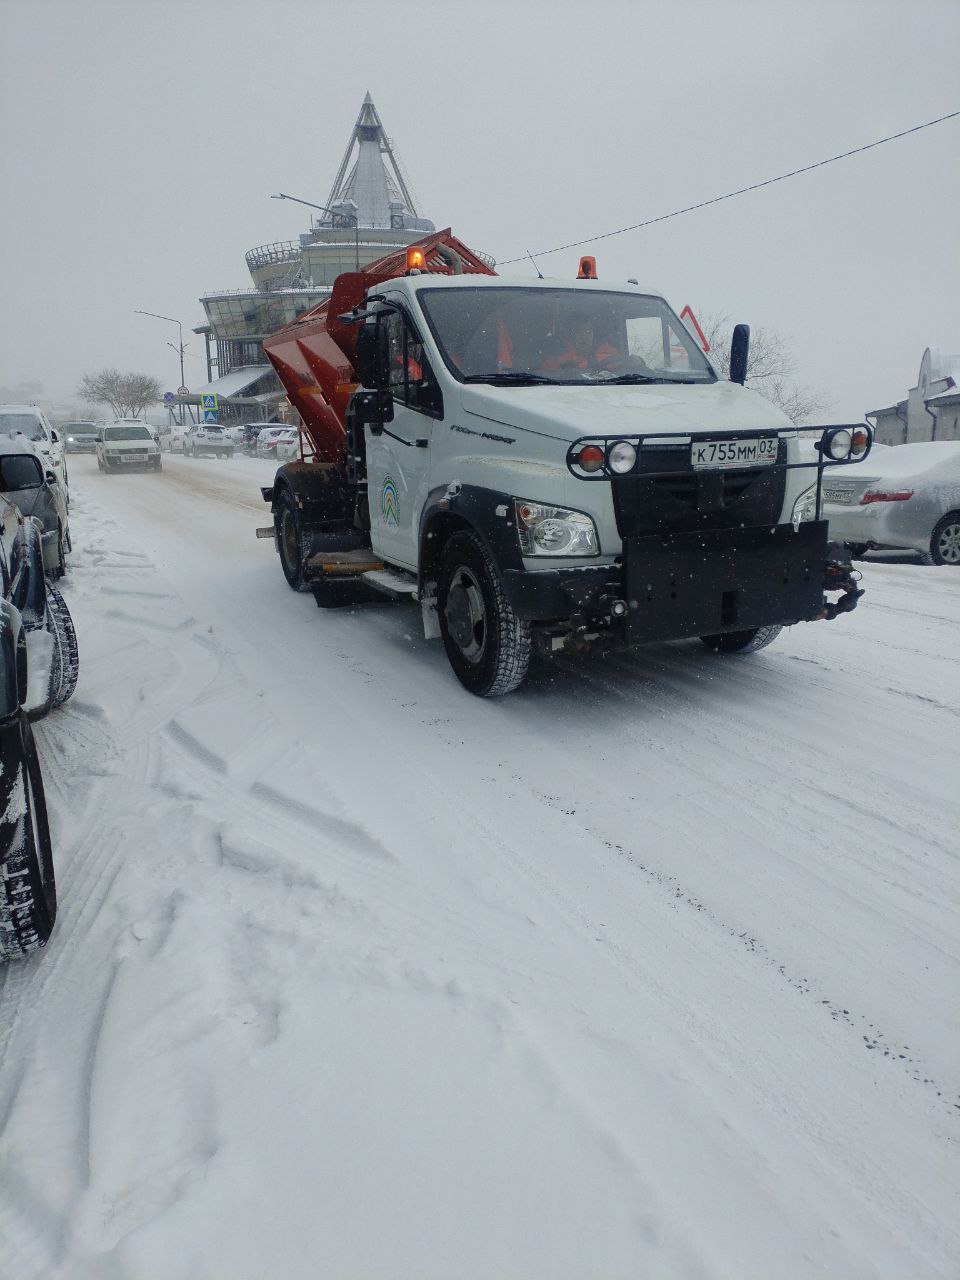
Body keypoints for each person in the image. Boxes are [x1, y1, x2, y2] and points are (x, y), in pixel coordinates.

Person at [542, 314, 618, 372]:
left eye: (588, 331)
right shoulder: (558, 358)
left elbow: (621, 370)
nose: (584, 336)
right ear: (569, 335)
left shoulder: (608, 354)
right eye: (578, 331)